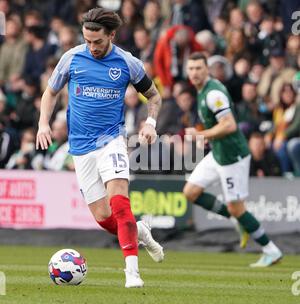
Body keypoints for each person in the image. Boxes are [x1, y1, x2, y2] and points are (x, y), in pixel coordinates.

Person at [36, 7, 164, 288]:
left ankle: (132, 272)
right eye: (88, 41)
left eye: (98, 42)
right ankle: (140, 231)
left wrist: (151, 122)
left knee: (119, 202)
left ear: (112, 35)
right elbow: (50, 92)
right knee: (104, 218)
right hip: (80, 148)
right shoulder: (72, 58)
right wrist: (43, 123)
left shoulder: (127, 63)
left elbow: (154, 96)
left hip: (111, 141)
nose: (92, 47)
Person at [183, 52, 282, 267]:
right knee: (191, 192)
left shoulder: (212, 93)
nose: (194, 73)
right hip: (217, 152)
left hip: (232, 156)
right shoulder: (202, 91)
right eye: (191, 69)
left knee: (238, 208)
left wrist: (201, 135)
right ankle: (236, 221)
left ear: (206, 69)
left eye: (199, 68)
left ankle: (271, 250)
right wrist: (205, 136)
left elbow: (229, 125)